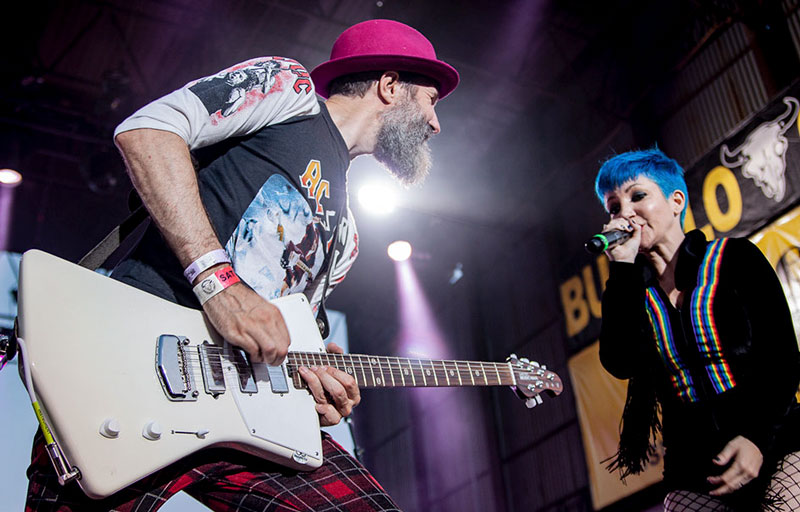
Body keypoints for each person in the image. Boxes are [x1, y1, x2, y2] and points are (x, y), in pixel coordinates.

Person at [25, 19, 459, 511]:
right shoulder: (289, 91)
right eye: (430, 100)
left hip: (248, 411)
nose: (435, 124)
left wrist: (318, 387)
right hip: (132, 368)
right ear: (389, 86)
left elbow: (286, 335)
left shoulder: (348, 238)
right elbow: (146, 133)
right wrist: (220, 285)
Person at [595, 148, 800, 511]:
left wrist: (755, 438)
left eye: (637, 196)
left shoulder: (735, 259)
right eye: (614, 207)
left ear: (676, 202)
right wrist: (622, 269)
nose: (624, 213)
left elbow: (783, 359)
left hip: (775, 437)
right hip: (697, 465)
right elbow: (619, 361)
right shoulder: (632, 294)